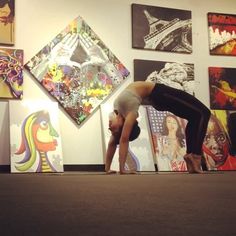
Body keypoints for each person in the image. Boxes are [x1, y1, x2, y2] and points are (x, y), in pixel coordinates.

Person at [105, 81, 211, 174]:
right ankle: (195, 156)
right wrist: (122, 169)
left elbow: (112, 143)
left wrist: (107, 168)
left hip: (157, 99)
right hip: (160, 93)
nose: (110, 128)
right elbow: (124, 139)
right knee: (204, 113)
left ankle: (191, 154)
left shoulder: (118, 108)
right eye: (113, 130)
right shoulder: (130, 112)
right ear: (124, 125)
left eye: (111, 130)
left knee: (195, 117)